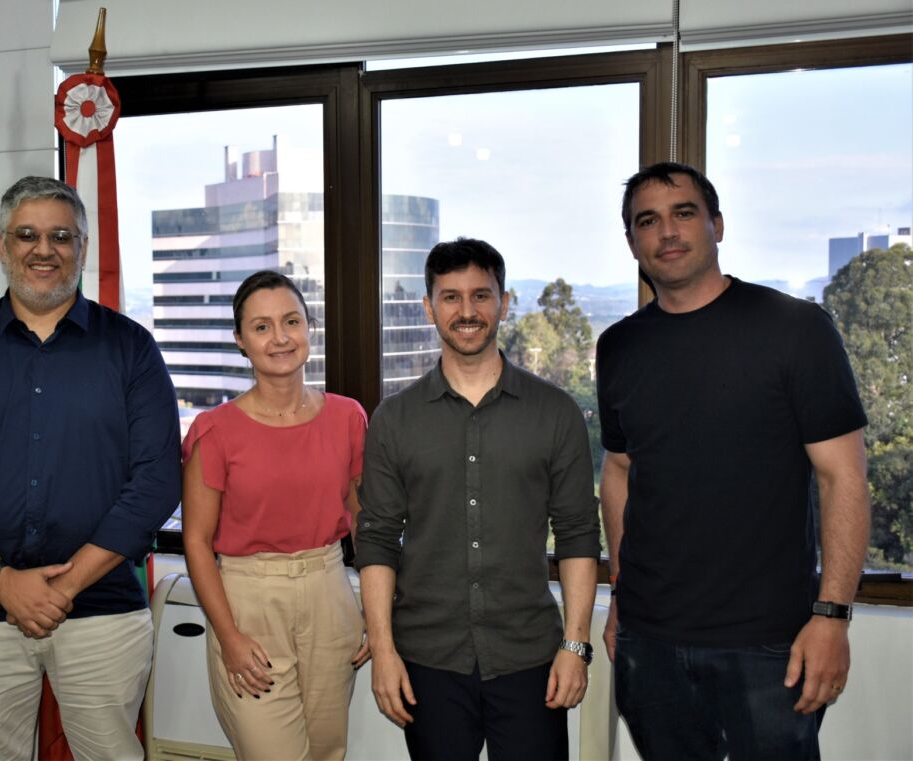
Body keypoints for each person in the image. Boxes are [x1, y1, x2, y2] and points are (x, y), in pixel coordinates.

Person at [0, 176, 181, 759]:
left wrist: (64, 587)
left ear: (82, 247)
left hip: (101, 605)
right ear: (3, 245)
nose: (43, 250)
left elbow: (156, 481)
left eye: (61, 236)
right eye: (27, 235)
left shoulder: (131, 349)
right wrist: (2, 581)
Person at [597, 161, 870, 760]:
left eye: (683, 213)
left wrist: (832, 616)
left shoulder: (795, 328)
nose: (667, 232)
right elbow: (618, 471)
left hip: (770, 643)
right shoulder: (618, 346)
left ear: (716, 225)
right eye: (648, 221)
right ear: (632, 242)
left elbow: (843, 477)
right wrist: (620, 592)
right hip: (650, 642)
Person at [355, 238, 600, 761]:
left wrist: (575, 645)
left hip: (529, 657)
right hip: (428, 660)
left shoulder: (555, 413)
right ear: (429, 308)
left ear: (504, 303)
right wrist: (383, 650)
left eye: (481, 295)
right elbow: (376, 540)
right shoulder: (394, 420)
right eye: (451, 297)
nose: (466, 311)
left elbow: (579, 535)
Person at [181, 270, 371, 761]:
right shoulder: (215, 431)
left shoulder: (348, 417)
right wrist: (228, 636)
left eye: (291, 321)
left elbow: (363, 520)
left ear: (310, 328)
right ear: (240, 341)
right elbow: (197, 542)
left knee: (327, 751)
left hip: (329, 591)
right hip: (248, 601)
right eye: (261, 327)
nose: (280, 337)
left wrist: (378, 613)